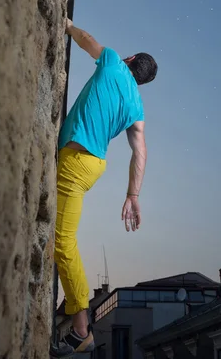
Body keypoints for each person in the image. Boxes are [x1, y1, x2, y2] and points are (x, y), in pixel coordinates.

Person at [50, 19, 158, 358]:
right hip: (94, 165)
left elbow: (86, 39)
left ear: (128, 60)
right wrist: (133, 196)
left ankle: (81, 330)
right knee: (64, 235)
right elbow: (140, 152)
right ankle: (75, 298)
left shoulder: (111, 60)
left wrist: (66, 24)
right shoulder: (136, 107)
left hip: (76, 158)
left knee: (62, 242)